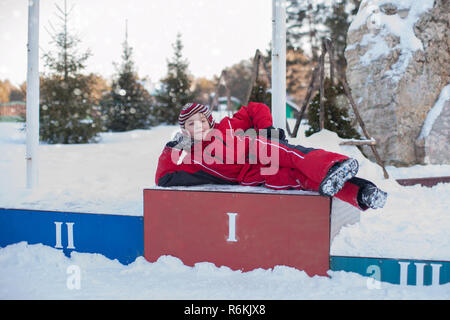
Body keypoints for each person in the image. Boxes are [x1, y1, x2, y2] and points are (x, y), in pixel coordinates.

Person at [155, 102, 387, 211]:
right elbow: (163, 177)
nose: (198, 126)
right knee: (300, 181)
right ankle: (363, 193)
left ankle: (336, 164)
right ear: (185, 130)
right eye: (191, 124)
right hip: (254, 175)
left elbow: (256, 108)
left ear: (210, 120)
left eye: (202, 120)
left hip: (261, 148)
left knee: (299, 158)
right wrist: (172, 147)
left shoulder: (227, 124)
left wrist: (267, 131)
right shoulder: (194, 158)